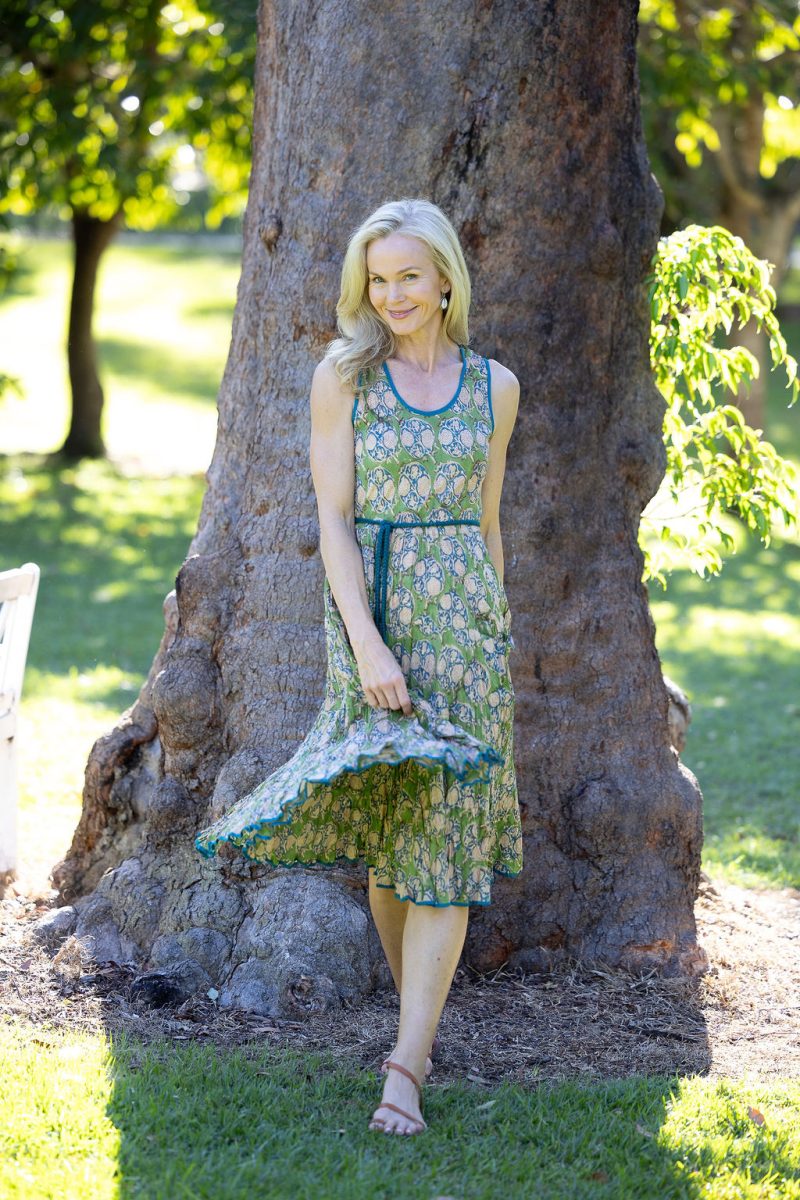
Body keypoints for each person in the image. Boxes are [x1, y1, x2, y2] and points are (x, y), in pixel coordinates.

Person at [195, 197, 523, 1136]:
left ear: (447, 277)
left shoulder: (495, 387)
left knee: (447, 847)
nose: (391, 297)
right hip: (373, 623)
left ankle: (405, 1069)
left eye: (408, 277)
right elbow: (332, 521)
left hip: (467, 630)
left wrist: (496, 626)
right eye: (377, 281)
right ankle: (414, 1017)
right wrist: (369, 643)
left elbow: (488, 524)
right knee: (394, 844)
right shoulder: (344, 377)